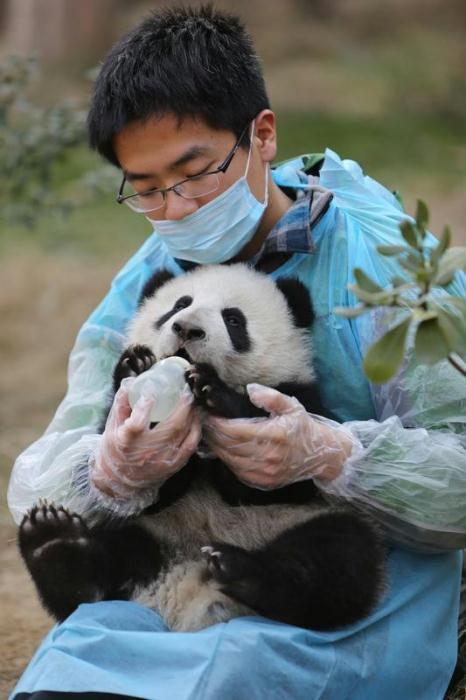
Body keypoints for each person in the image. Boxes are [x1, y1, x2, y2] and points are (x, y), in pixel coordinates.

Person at [8, 5, 466, 699]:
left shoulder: (390, 269)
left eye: (194, 171)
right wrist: (108, 470)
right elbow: (44, 472)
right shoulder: (152, 278)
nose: (178, 206)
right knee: (79, 653)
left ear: (263, 135)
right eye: (148, 188)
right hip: (182, 559)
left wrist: (334, 455)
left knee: (238, 668)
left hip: (359, 581)